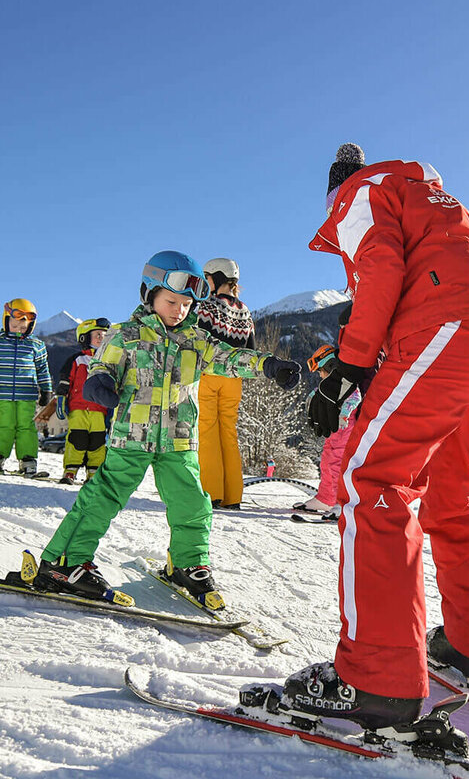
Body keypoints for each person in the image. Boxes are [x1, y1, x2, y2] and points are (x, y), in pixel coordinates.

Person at [279, 144, 469, 735]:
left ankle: (375, 681)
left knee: (371, 480)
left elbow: (382, 268)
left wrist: (350, 364)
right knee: (452, 495)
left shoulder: (362, 192)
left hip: (445, 328)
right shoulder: (441, 203)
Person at [29, 251, 300, 604]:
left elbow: (229, 357)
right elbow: (102, 367)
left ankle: (188, 564)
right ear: (149, 294)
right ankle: (64, 562)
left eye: (187, 304)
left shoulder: (196, 340)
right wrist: (99, 383)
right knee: (102, 498)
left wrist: (268, 364)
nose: (179, 310)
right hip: (132, 438)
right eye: (172, 301)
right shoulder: (124, 334)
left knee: (193, 503)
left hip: (179, 440)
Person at [197, 258, 255, 510]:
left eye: (207, 277)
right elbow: (251, 350)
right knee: (229, 435)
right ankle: (233, 496)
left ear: (217, 278)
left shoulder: (206, 306)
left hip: (209, 375)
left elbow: (197, 342)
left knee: (206, 432)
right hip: (235, 380)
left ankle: (211, 492)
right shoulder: (245, 311)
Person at [293, 344, 361, 518]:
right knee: (326, 462)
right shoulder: (330, 386)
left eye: (321, 371)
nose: (320, 375)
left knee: (338, 465)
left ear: (331, 367)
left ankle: (342, 502)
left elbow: (355, 397)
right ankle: (325, 499)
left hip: (346, 432)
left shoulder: (347, 384)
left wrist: (345, 414)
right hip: (334, 433)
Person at [0, 298, 52, 476]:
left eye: (23, 327)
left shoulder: (36, 345)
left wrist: (46, 389)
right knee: (4, 425)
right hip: (2, 394)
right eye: (14, 325)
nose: (18, 330)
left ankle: (28, 459)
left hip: (27, 395)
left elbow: (43, 369)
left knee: (26, 427)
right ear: (6, 321)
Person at [56, 317, 111, 484]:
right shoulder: (77, 359)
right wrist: (61, 398)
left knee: (97, 441)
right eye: (97, 335)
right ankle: (70, 471)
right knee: (76, 439)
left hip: (99, 409)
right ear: (84, 337)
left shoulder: (109, 361)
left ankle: (93, 473)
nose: (101, 338)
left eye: (104, 335)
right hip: (78, 408)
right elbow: (66, 380)